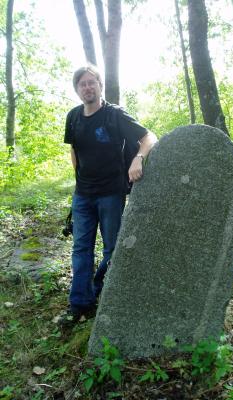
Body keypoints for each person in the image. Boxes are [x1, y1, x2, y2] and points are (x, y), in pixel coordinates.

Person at [62, 64, 157, 324]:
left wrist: (138, 158)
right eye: (82, 84)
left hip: (111, 194)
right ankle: (79, 303)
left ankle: (102, 290)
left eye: (91, 82)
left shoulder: (114, 115)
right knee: (81, 248)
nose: (87, 87)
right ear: (77, 89)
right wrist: (79, 178)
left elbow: (148, 137)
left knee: (112, 249)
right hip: (83, 195)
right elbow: (74, 151)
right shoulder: (73, 117)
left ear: (100, 85)